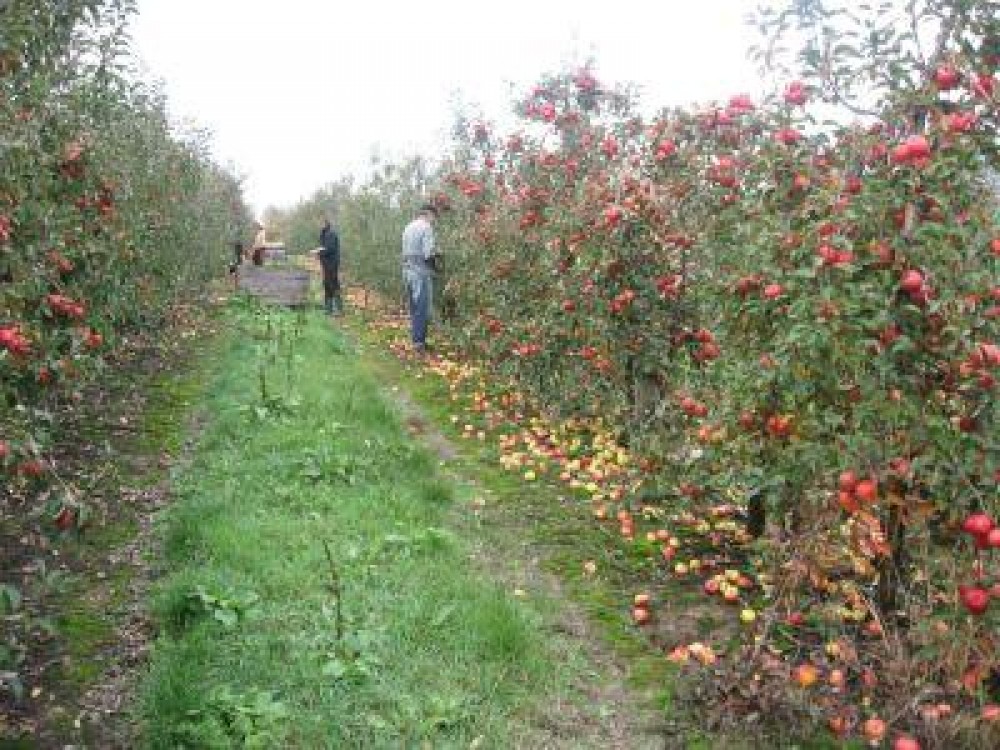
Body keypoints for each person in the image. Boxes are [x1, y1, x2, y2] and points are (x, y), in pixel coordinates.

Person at [401, 204, 440, 353]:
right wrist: (436, 268)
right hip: (420, 273)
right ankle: (419, 344)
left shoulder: (408, 227)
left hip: (407, 272)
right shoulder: (426, 227)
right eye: (434, 218)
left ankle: (416, 340)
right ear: (429, 214)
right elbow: (428, 254)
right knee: (422, 308)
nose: (433, 221)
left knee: (414, 308)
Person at [318, 218, 342, 315]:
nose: (319, 225)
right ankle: (328, 309)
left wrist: (318, 251)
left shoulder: (331, 234)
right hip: (326, 264)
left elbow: (329, 249)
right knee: (327, 284)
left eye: (321, 223)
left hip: (332, 264)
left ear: (326, 224)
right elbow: (324, 247)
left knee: (333, 284)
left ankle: (338, 309)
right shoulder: (324, 235)